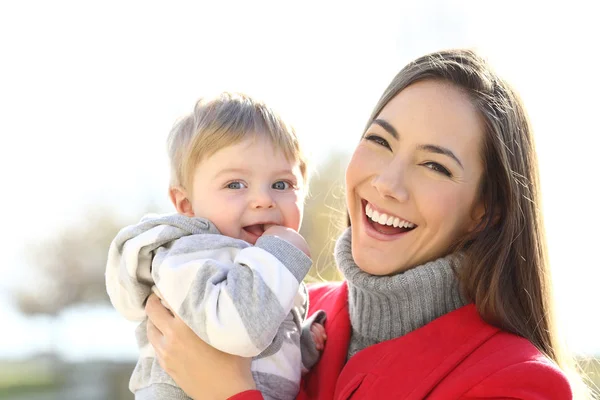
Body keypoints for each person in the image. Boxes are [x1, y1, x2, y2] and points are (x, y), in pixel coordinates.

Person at [142, 50, 589, 399]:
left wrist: (230, 393)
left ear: (484, 210)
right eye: (379, 141)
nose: (388, 183)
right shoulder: (290, 310)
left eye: (434, 166)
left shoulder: (515, 382)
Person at [105, 93, 326, 400]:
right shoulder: (188, 255)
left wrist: (300, 344)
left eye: (281, 184)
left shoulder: (264, 264)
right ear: (186, 204)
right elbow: (237, 330)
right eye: (235, 184)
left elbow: (263, 355)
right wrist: (282, 254)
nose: (264, 199)